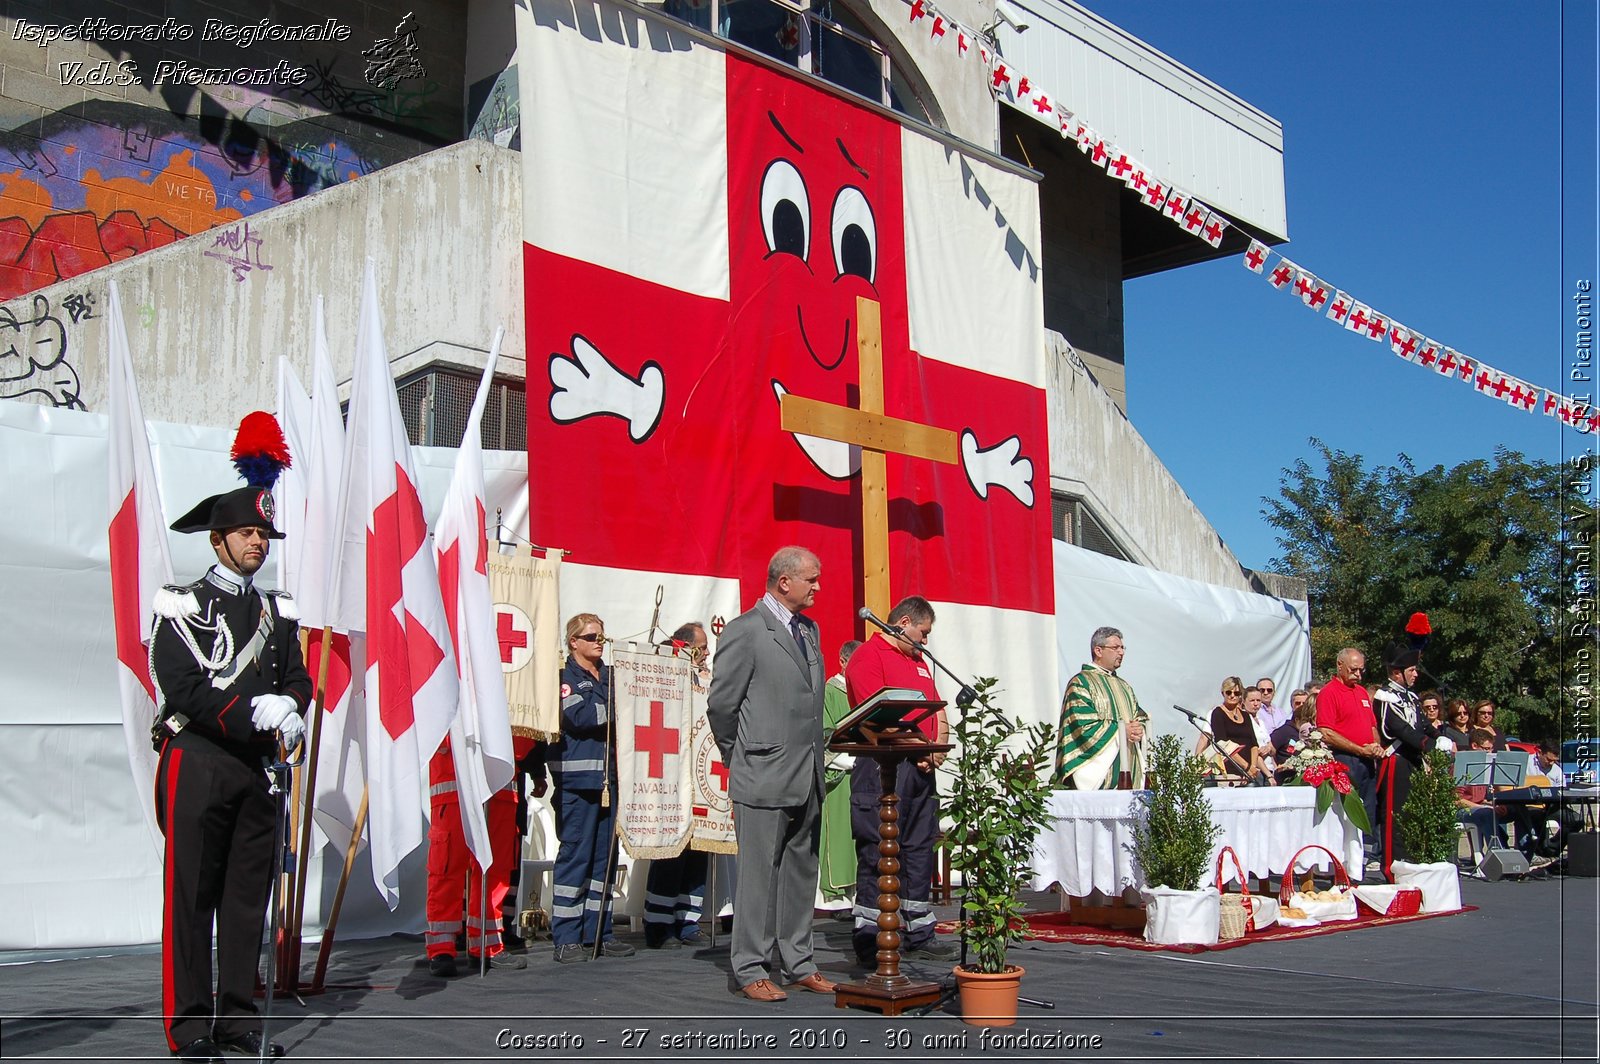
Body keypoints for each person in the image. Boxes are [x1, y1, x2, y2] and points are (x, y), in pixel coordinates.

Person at [150, 485, 311, 1062]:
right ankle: (188, 1029)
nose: (257, 544)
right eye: (247, 534)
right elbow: (182, 687)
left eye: (263, 535)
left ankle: (236, 1018)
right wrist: (249, 714)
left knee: (246, 900)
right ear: (218, 539)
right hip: (199, 762)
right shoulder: (183, 606)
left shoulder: (276, 611)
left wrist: (291, 706)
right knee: (190, 897)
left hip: (256, 771)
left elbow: (298, 677)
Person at [705, 547, 835, 1002]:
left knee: (801, 872)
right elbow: (722, 704)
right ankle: (750, 968)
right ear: (784, 581)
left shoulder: (809, 630)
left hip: (807, 773)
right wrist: (740, 754)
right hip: (762, 772)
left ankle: (798, 960)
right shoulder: (747, 631)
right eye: (811, 579)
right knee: (758, 877)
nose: (818, 587)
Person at [844, 596, 957, 965]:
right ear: (904, 622)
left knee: (919, 846)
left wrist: (936, 752)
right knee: (877, 848)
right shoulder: (868, 656)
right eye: (922, 633)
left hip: (921, 769)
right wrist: (922, 749)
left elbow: (939, 710)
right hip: (882, 766)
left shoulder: (919, 662)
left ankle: (918, 928)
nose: (925, 642)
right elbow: (873, 715)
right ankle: (870, 933)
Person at [549, 613, 635, 963]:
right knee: (575, 859)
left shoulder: (613, 675)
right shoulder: (564, 675)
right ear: (574, 642)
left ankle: (598, 932)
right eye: (591, 636)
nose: (599, 641)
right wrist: (619, 708)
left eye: (602, 635)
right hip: (577, 784)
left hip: (611, 782)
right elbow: (580, 717)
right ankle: (566, 939)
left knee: (605, 860)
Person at [423, 735, 532, 975]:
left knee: (496, 871)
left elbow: (523, 745)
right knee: (447, 868)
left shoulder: (511, 696)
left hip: (500, 792)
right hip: (453, 787)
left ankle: (487, 943)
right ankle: (441, 947)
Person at [644, 622, 711, 950]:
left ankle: (688, 919)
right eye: (701, 647)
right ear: (685, 647)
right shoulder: (667, 678)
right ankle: (658, 923)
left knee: (698, 852)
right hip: (672, 777)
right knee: (671, 851)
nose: (707, 653)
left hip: (702, 780)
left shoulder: (708, 681)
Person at [1315, 648, 1383, 873]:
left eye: (1361, 670)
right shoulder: (1329, 692)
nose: (1358, 674)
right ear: (1339, 666)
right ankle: (1347, 867)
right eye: (1353, 670)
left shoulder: (1362, 693)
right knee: (1347, 815)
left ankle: (1363, 860)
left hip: (1366, 760)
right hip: (1345, 759)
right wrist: (1359, 749)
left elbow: (1371, 725)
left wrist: (1375, 746)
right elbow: (1326, 731)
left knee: (1368, 811)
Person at [1054, 626, 1148, 789]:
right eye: (1115, 648)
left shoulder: (1124, 686)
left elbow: (1140, 716)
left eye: (1122, 648)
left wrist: (1139, 728)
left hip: (1129, 767)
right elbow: (1081, 725)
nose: (1121, 652)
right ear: (1098, 650)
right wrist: (1120, 731)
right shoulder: (1081, 682)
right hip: (1099, 773)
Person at [1374, 645, 1431, 878]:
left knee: (1411, 815)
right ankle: (1392, 868)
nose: (1416, 674)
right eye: (1412, 670)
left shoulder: (1412, 697)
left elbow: (1422, 724)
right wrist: (1428, 743)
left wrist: (1440, 736)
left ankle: (1410, 862)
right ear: (1397, 672)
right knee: (1394, 817)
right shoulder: (1385, 695)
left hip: (1413, 759)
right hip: (1396, 759)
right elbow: (1397, 728)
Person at [818, 639, 862, 912]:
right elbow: (823, 733)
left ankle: (860, 897)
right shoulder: (830, 692)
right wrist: (847, 758)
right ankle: (836, 900)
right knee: (839, 835)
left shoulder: (864, 690)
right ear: (843, 662)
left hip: (864, 772)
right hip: (841, 773)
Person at [1208, 677, 1268, 782]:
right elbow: (1222, 744)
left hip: (1250, 772)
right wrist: (1246, 767)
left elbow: (1253, 744)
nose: (1232, 696)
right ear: (1223, 693)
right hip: (1229, 772)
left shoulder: (1245, 715)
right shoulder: (1218, 713)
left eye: (1236, 693)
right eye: (1229, 692)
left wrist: (1252, 767)